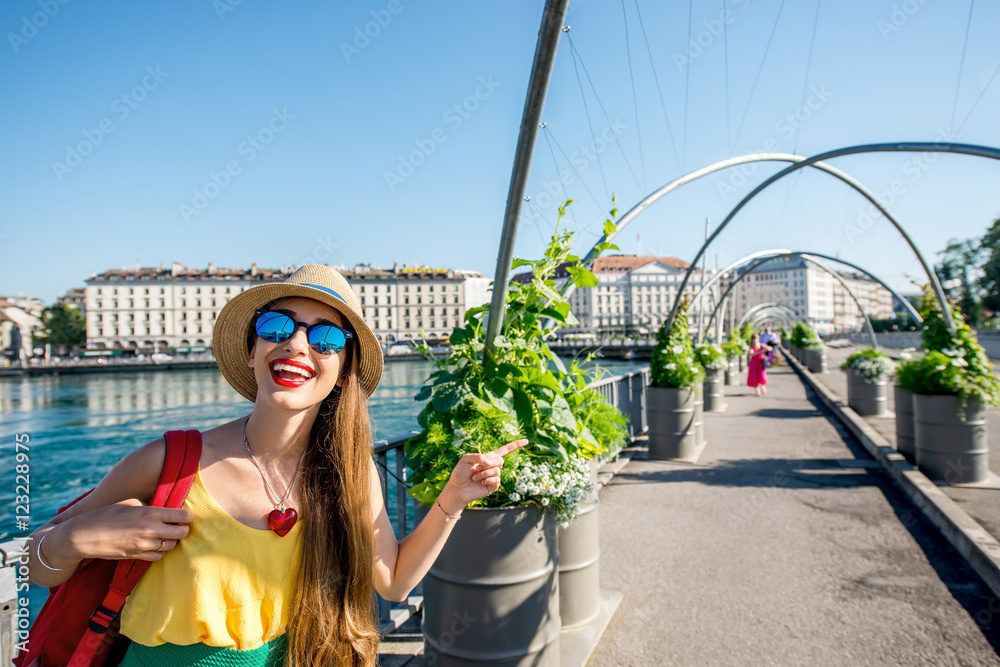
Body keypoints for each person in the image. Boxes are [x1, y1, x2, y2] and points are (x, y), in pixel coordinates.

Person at [27, 265, 527, 666]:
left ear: (344, 368)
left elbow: (392, 582)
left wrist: (452, 499)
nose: (297, 344)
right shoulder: (170, 461)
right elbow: (33, 564)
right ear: (252, 351)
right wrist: (75, 539)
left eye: (327, 338)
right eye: (277, 326)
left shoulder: (349, 475)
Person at [746, 332, 772, 397]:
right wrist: (761, 351)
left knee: (762, 375)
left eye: (756, 338)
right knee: (754, 376)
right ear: (752, 340)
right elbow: (751, 353)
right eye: (754, 339)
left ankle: (763, 387)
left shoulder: (761, 345)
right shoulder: (751, 346)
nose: (755, 340)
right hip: (754, 363)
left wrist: (767, 349)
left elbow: (770, 348)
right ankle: (757, 390)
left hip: (760, 362)